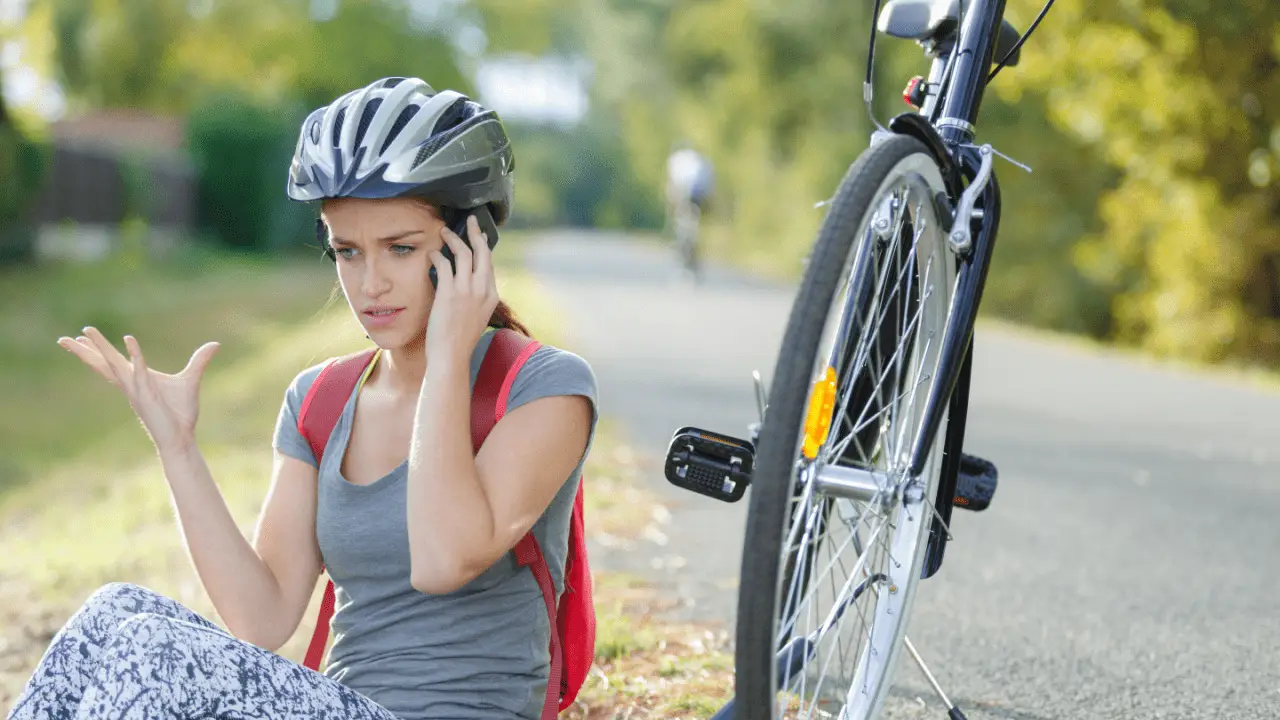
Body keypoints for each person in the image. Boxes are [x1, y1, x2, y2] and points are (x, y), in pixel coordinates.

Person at [10, 76, 599, 720]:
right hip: (343, 704)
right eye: (346, 252)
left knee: (147, 649)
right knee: (114, 614)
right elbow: (262, 618)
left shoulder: (543, 388)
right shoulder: (321, 399)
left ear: (471, 244)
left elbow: (443, 558)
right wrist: (177, 447)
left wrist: (449, 358)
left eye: (400, 249)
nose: (369, 283)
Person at [664, 141, 714, 280]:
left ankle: (684, 256)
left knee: (683, 228)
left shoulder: (676, 161)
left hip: (686, 194)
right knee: (692, 228)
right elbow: (709, 190)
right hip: (696, 195)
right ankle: (691, 258)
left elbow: (671, 188)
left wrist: (671, 208)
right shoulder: (703, 162)